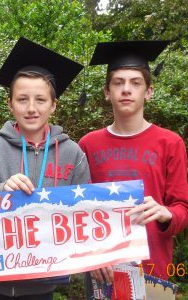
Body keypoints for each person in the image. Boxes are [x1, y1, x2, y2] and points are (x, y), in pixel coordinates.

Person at [0, 37, 91, 299]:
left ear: (53, 105)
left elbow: (84, 212)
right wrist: (2, 190)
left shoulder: (73, 154)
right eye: (22, 99)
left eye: (40, 100)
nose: (31, 108)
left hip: (45, 281)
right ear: (10, 104)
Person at [79, 41, 188, 291]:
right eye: (118, 82)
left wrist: (166, 213)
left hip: (154, 270)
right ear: (107, 91)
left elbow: (183, 208)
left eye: (135, 83)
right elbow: (79, 212)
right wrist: (91, 256)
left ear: (148, 91)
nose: (126, 89)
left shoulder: (170, 143)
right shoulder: (88, 144)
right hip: (103, 270)